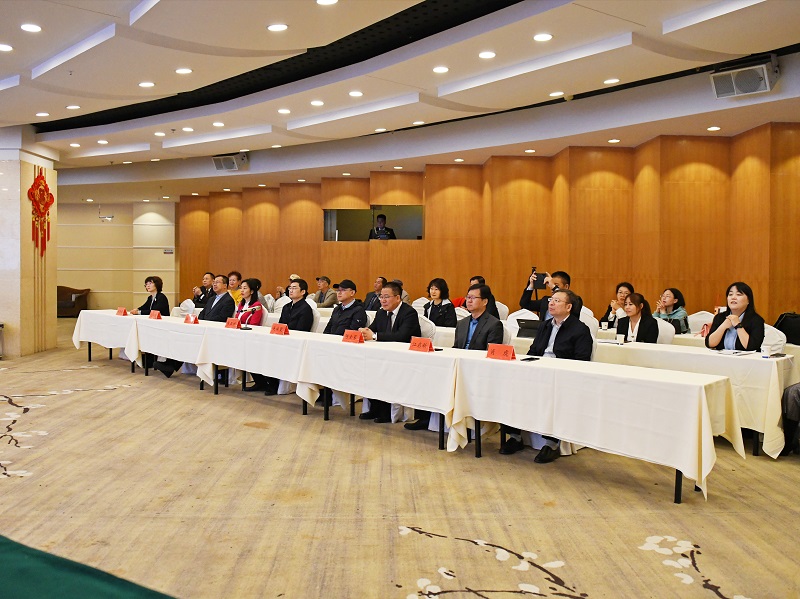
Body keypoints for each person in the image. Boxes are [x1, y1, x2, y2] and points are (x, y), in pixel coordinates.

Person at [502, 289, 592, 463]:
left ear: (568, 307)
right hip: (538, 370)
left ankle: (551, 444)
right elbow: (534, 350)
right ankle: (515, 436)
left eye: (557, 301)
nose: (551, 303)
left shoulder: (580, 329)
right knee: (512, 385)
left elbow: (582, 360)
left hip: (561, 376)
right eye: (551, 299)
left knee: (553, 393)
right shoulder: (545, 325)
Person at [406, 283, 503, 431]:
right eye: (467, 297)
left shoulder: (494, 324)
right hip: (458, 366)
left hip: (476, 370)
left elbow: (491, 354)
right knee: (428, 373)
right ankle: (426, 418)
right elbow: (457, 347)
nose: (468, 301)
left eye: (473, 298)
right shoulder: (462, 323)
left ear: (485, 301)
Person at [357, 281, 421, 423]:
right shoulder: (381, 312)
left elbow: (402, 336)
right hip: (384, 355)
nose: (383, 300)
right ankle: (375, 408)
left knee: (385, 371)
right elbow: (372, 329)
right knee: (369, 369)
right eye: (381, 297)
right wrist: (364, 331)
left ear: (397, 298)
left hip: (404, 357)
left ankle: (386, 411)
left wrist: (374, 336)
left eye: (386, 297)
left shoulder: (409, 312)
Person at [155, 274, 234, 378]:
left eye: (217, 282)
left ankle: (171, 366)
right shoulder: (212, 299)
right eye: (214, 282)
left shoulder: (228, 300)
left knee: (189, 340)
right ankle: (170, 364)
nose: (214, 284)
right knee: (184, 337)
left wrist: (205, 322)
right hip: (204, 329)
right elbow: (202, 313)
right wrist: (200, 322)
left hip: (214, 332)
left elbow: (222, 318)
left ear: (225, 285)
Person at [252, 278, 315, 395]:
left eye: (294, 288)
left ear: (303, 292)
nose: (291, 290)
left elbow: (302, 330)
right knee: (257, 349)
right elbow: (280, 325)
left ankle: (273, 384)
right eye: (290, 288)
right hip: (283, 339)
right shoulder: (286, 307)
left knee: (271, 352)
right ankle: (262, 382)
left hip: (294, 343)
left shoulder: (305, 309)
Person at [705, 282, 765, 351]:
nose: (733, 297)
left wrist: (738, 325)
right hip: (722, 357)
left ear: (748, 300)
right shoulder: (719, 317)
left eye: (739, 294)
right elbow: (710, 344)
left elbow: (752, 347)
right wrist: (723, 326)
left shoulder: (756, 320)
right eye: (730, 294)